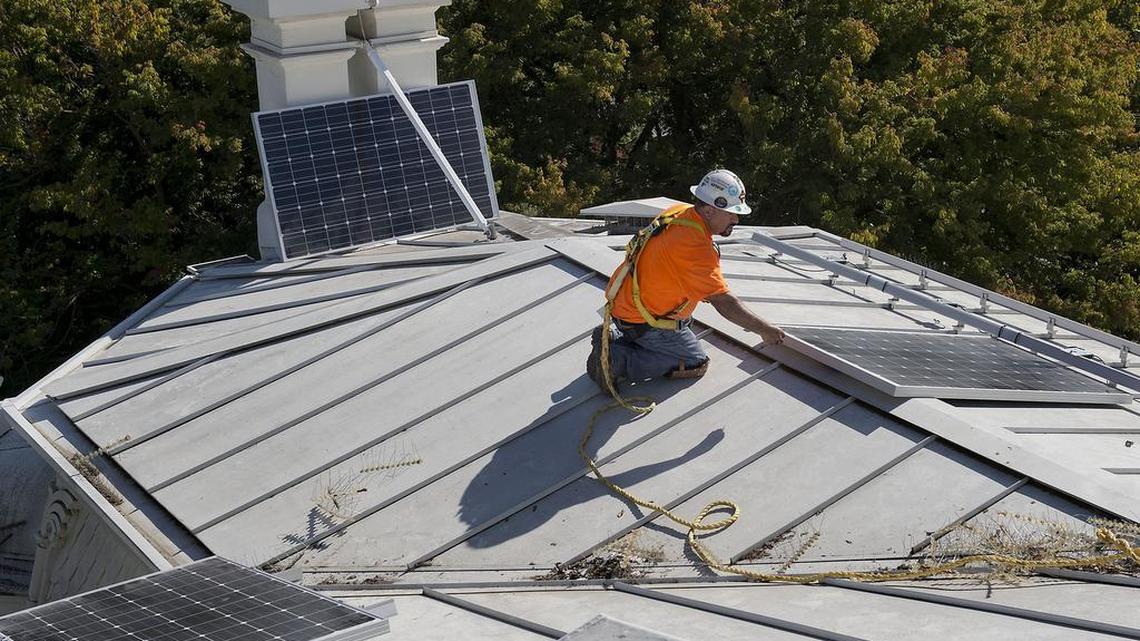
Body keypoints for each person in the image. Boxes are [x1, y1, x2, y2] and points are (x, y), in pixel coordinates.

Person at [587, 169, 785, 389]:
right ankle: (616, 361)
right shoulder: (694, 247)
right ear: (709, 211)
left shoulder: (681, 212)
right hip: (643, 320)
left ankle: (616, 338)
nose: (736, 219)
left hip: (626, 305)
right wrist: (764, 329)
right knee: (694, 361)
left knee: (686, 318)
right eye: (730, 213)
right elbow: (724, 302)